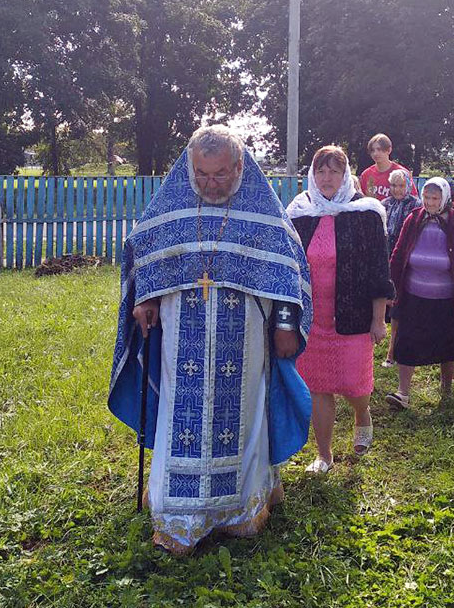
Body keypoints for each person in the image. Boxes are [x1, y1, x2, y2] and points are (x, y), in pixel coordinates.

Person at [108, 125, 313, 556]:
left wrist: (287, 324)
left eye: (220, 174)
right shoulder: (175, 199)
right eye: (202, 174)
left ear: (239, 167)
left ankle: (241, 509)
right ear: (190, 167)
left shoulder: (262, 208)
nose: (210, 184)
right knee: (180, 412)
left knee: (245, 409)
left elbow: (288, 267)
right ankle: (178, 516)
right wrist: (145, 299)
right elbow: (147, 249)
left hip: (246, 334)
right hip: (182, 329)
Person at [287, 145, 394, 473]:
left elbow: (379, 270)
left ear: (345, 175)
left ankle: (363, 414)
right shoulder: (299, 214)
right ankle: (325, 455)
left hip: (353, 316)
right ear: (312, 175)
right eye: (321, 171)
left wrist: (379, 319)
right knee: (319, 386)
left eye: (334, 170)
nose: (327, 177)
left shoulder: (366, 213)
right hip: (312, 320)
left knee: (353, 384)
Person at [386, 177, 454, 412]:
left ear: (445, 198)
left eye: (435, 198)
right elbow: (398, 255)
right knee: (406, 342)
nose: (429, 202)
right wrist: (391, 287)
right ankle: (403, 393)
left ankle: (446, 391)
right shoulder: (414, 219)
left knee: (447, 345)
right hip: (413, 295)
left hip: (447, 298)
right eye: (426, 197)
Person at [380, 168, 422, 368]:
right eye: (393, 185)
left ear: (408, 185)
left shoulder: (416, 205)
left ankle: (392, 352)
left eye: (400, 185)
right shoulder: (385, 204)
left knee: (400, 305)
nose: (396, 189)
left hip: (407, 260)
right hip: (386, 259)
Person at [359, 133, 419, 201]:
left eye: (379, 149)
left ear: (389, 150)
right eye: (372, 150)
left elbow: (414, 200)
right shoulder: (366, 174)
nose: (375, 153)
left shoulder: (401, 173)